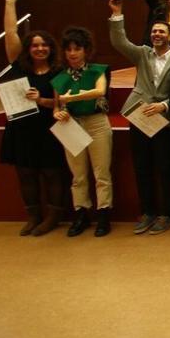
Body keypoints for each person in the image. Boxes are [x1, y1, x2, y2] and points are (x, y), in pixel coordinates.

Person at [109, 0, 170, 235]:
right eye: (154, 31)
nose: (157, 34)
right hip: (139, 116)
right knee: (142, 167)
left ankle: (167, 214)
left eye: (161, 31)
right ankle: (148, 212)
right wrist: (117, 13)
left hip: (163, 120)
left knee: (164, 168)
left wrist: (165, 106)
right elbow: (119, 42)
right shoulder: (142, 54)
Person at [0, 0, 65, 236]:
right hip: (21, 128)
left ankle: (52, 217)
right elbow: (10, 34)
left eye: (44, 45)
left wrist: (42, 100)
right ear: (28, 48)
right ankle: (33, 216)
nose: (39, 48)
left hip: (48, 128)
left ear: (50, 48)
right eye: (35, 45)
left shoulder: (59, 71)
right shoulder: (18, 66)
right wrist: (10, 4)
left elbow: (62, 104)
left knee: (51, 172)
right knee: (25, 173)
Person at [51, 26, 113, 237]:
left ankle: (104, 213)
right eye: (68, 49)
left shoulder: (98, 70)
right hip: (71, 125)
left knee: (101, 173)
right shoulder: (59, 77)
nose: (73, 53)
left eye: (77, 48)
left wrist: (71, 98)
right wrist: (58, 113)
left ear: (86, 50)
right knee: (78, 175)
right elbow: (57, 106)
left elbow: (99, 91)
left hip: (97, 123)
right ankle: (81, 213)